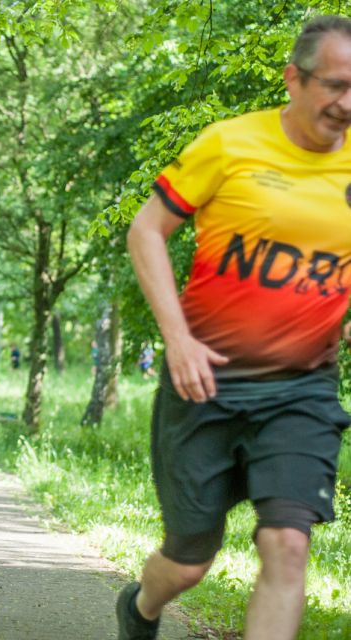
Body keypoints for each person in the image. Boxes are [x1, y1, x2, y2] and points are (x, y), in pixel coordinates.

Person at [118, 16, 351, 640]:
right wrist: (178, 339)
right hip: (206, 383)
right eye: (335, 84)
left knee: (287, 546)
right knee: (189, 561)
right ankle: (140, 607)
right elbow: (146, 231)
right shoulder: (229, 144)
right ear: (293, 80)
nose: (347, 102)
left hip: (302, 389)